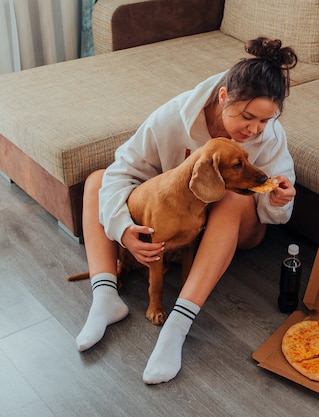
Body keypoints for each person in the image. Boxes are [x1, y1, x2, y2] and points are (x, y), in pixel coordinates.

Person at [75, 37, 298, 384]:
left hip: (236, 228)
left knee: (229, 197)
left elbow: (276, 198)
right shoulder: (174, 116)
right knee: (97, 181)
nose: (253, 129)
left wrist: (278, 198)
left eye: (265, 120)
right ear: (223, 96)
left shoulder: (269, 137)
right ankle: (105, 297)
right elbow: (123, 170)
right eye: (247, 116)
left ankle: (178, 325)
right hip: (173, 226)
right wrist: (122, 230)